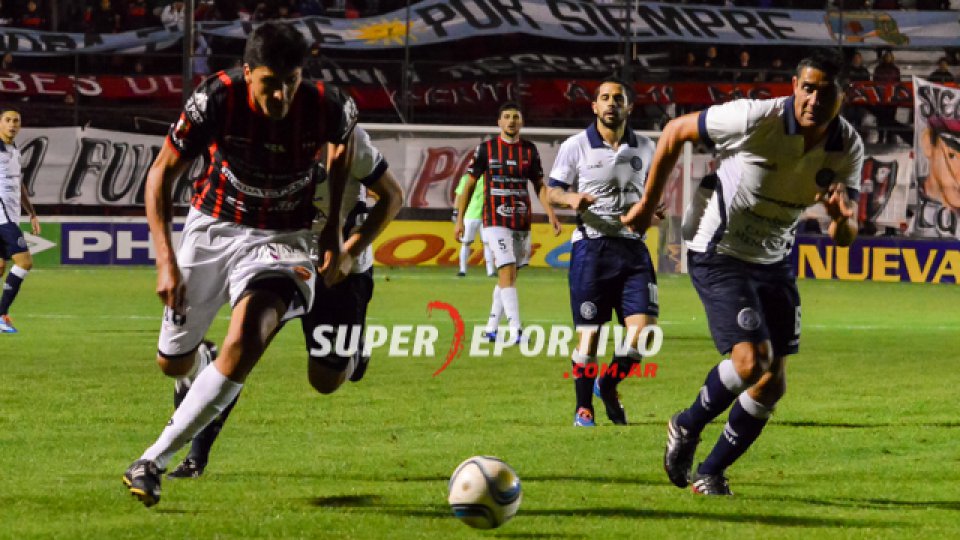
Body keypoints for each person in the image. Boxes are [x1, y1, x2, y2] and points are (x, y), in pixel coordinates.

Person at [122, 21, 358, 507]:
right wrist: (165, 260)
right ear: (248, 73)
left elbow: (343, 146)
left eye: (290, 82)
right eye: (271, 83)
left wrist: (333, 223)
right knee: (172, 363)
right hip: (213, 228)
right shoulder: (216, 99)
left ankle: (152, 461)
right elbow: (161, 174)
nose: (281, 95)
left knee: (250, 335)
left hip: (285, 237)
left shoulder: (327, 104)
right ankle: (202, 363)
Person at [622, 51, 862, 495]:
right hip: (720, 250)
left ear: (842, 96)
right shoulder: (755, 118)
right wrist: (643, 204)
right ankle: (687, 424)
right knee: (752, 361)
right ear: (794, 86)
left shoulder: (848, 147)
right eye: (806, 88)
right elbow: (675, 132)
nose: (811, 98)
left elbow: (845, 236)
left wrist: (840, 218)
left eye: (823, 91)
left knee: (772, 384)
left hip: (773, 260)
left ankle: (710, 473)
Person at [165, 126, 403, 478]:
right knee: (242, 350)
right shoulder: (257, 141)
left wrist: (350, 253)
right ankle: (195, 458)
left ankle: (354, 355)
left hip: (341, 273)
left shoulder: (349, 139)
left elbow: (392, 196)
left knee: (325, 380)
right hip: (279, 258)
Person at [547, 78, 660, 428]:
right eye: (605, 98)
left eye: (618, 98)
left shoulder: (646, 147)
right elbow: (551, 192)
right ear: (594, 106)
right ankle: (584, 409)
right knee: (590, 333)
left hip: (634, 250)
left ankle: (607, 384)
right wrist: (571, 199)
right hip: (591, 250)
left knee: (644, 334)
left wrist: (651, 212)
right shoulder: (576, 146)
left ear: (629, 107)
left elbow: (649, 196)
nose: (611, 103)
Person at [454, 102, 560, 344]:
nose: (511, 121)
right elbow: (469, 185)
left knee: (509, 276)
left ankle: (491, 327)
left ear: (521, 122)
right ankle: (516, 331)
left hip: (521, 220)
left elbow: (540, 186)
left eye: (515, 117)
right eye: (506, 117)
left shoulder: (529, 151)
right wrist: (459, 219)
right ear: (499, 123)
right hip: (494, 220)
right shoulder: (486, 150)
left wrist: (551, 214)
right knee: (507, 270)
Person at [0, 107, 40, 334]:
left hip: (10, 216)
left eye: (16, 121)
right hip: (2, 217)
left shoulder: (13, 149)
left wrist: (32, 212)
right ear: (0, 123)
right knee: (25, 262)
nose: (12, 124)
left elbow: (19, 185)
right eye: (7, 120)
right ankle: (0, 315)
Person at [452, 172, 494, 277]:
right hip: (470, 215)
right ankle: (462, 270)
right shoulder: (467, 177)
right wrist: (456, 212)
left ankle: (491, 271)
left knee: (487, 243)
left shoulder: (490, 177)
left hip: (486, 216)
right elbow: (459, 194)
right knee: (466, 243)